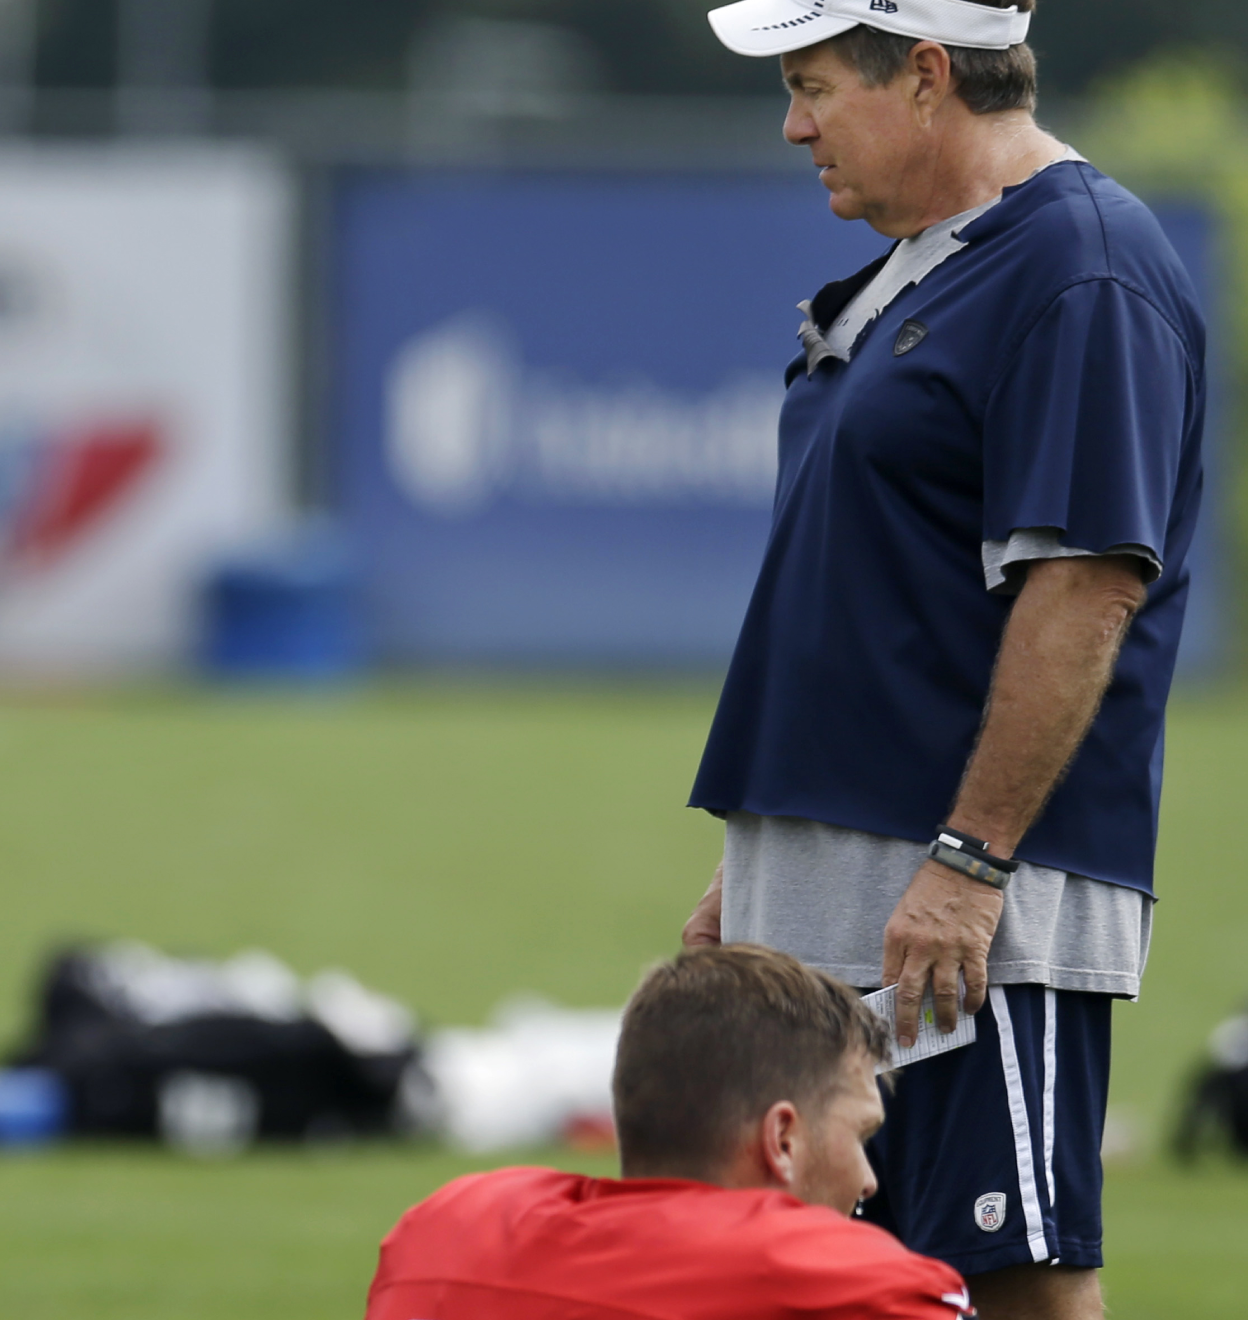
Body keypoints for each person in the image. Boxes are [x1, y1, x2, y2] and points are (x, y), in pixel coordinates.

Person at [685, 2, 1205, 1317]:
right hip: (855, 878)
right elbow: (872, 592)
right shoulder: (921, 263)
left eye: (813, 85)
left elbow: (1085, 591)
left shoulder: (1081, 267)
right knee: (829, 1282)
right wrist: (766, 860)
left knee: (1015, 1282)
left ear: (924, 75)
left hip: (969, 912)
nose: (794, 125)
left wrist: (972, 867)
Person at [367, 945, 972, 1320]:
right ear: (781, 1139)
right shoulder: (858, 1286)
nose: (868, 1180)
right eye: (859, 1135)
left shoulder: (445, 1232)